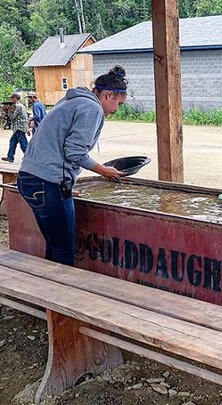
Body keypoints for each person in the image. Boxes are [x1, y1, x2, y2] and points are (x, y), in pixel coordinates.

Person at [17, 65, 128, 266]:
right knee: (64, 252)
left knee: (53, 245)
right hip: (47, 183)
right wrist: (104, 171)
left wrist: (64, 187)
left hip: (30, 179)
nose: (116, 110)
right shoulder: (92, 108)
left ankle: (49, 289)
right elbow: (74, 152)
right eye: (118, 104)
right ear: (109, 95)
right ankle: (60, 295)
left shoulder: (72, 101)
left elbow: (56, 148)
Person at [2, 93, 29, 163]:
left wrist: (9, 110)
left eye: (12, 98)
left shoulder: (17, 106)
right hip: (20, 127)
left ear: (15, 98)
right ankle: (10, 157)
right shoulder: (21, 105)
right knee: (13, 142)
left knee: (23, 144)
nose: (11, 99)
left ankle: (29, 157)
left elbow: (12, 117)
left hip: (18, 127)